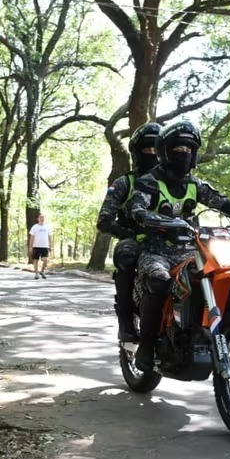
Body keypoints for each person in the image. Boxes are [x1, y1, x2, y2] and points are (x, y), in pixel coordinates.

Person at [127, 120, 230, 371]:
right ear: (165, 151)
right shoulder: (149, 181)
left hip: (191, 250)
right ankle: (146, 345)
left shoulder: (195, 184)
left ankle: (220, 332)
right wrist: (147, 217)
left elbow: (222, 203)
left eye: (189, 149)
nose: (185, 155)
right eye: (179, 149)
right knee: (158, 280)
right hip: (157, 250)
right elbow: (137, 208)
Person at [96, 122, 162, 342]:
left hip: (173, 242)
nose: (152, 154)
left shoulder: (176, 182)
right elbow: (104, 220)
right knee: (126, 255)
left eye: (157, 149)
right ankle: (125, 321)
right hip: (136, 239)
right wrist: (127, 233)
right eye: (147, 149)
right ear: (137, 152)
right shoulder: (125, 183)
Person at [28, 213, 53, 279]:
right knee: (35, 260)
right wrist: (30, 246)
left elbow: (50, 237)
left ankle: (42, 271)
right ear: (38, 219)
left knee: (45, 260)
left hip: (45, 246)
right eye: (40, 217)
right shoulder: (34, 227)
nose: (42, 219)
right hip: (36, 246)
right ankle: (36, 273)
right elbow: (32, 237)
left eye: (43, 217)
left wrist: (50, 245)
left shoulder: (47, 227)